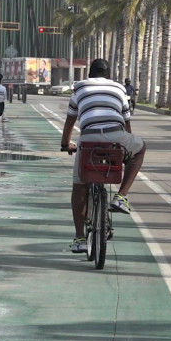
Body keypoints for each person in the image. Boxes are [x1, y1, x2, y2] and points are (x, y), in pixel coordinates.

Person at [61, 58, 146, 253]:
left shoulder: (79, 89)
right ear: (108, 76)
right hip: (116, 135)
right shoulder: (119, 89)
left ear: (89, 74)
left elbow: (70, 119)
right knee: (140, 149)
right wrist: (127, 143)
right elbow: (127, 123)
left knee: (79, 188)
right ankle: (121, 197)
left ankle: (79, 238)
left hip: (88, 139)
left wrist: (65, 144)